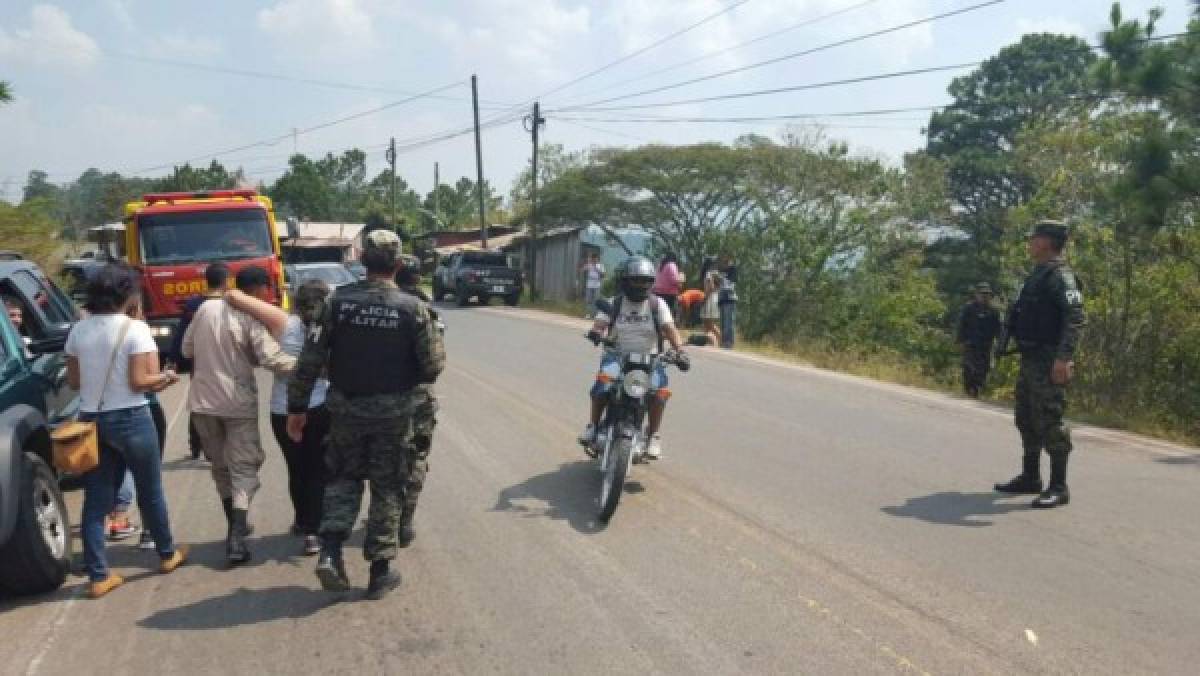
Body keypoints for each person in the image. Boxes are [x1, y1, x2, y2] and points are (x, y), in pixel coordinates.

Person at [288, 230, 445, 600]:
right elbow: (432, 367)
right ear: (399, 263)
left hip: (346, 410)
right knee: (388, 487)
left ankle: (330, 552)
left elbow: (308, 362)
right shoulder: (413, 308)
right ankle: (379, 572)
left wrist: (297, 408)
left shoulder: (335, 303)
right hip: (394, 416)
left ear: (362, 260)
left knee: (343, 478)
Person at [64, 264, 187, 598]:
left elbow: (75, 381)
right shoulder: (135, 330)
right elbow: (140, 382)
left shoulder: (78, 330)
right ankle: (166, 553)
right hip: (131, 417)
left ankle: (98, 575)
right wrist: (167, 378)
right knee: (151, 489)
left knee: (96, 499)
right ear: (127, 294)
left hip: (91, 419)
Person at [182, 266, 295, 565]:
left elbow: (186, 348)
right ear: (257, 291)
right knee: (243, 467)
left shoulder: (204, 309)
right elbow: (272, 358)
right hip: (236, 402)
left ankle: (234, 525)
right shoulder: (247, 315)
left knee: (220, 467)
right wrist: (310, 367)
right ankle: (237, 536)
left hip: (203, 402)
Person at [993, 220, 1085, 509]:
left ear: (1046, 242)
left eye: (1033, 238)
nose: (1030, 243)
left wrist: (1063, 358)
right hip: (1030, 358)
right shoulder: (1036, 275)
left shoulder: (1061, 277)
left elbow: (1075, 319)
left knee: (1051, 422)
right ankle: (1030, 476)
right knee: (1027, 418)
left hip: (1049, 359)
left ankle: (1059, 486)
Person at [579, 256, 689, 460]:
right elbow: (600, 324)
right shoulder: (616, 303)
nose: (640, 285)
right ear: (625, 281)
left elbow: (670, 329)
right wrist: (596, 333)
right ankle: (593, 426)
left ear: (651, 283)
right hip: (617, 356)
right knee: (602, 386)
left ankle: (653, 435)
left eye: (645, 281)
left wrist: (681, 351)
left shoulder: (658, 305)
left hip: (651, 359)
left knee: (659, 393)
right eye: (636, 280)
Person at [265, 279, 333, 556]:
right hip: (318, 406)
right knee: (318, 469)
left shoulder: (282, 325)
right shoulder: (330, 328)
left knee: (296, 468)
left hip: (282, 409)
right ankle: (313, 533)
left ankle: (302, 520)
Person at [394, 262, 441, 548]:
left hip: (373, 396)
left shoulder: (384, 303)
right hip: (416, 397)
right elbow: (434, 363)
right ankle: (404, 523)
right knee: (415, 459)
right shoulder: (423, 308)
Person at [168, 262, 230, 461]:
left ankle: (196, 446)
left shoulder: (194, 304)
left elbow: (181, 334)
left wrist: (173, 359)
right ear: (226, 281)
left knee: (199, 404)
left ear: (207, 280)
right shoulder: (231, 303)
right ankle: (221, 447)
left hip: (200, 363)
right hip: (227, 362)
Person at [956, 282, 1002, 398]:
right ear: (976, 294)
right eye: (982, 294)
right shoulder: (969, 308)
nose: (985, 296)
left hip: (985, 346)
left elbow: (998, 330)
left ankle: (976, 390)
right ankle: (968, 389)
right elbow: (962, 325)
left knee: (982, 370)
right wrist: (960, 341)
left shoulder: (994, 311)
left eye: (987, 294)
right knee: (968, 368)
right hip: (970, 344)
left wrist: (1000, 344)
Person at [717, 255, 739, 349]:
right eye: (724, 261)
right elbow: (718, 286)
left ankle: (729, 342)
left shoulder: (733, 270)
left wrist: (721, 279)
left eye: (727, 261)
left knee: (729, 322)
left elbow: (731, 286)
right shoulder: (722, 271)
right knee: (723, 322)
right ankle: (723, 341)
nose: (725, 263)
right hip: (722, 299)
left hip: (730, 299)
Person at [580, 253, 606, 318]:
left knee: (596, 301)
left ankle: (594, 315)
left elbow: (603, 275)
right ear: (592, 259)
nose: (594, 260)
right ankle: (587, 314)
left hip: (597, 285)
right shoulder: (589, 265)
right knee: (588, 300)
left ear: (597, 259)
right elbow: (581, 270)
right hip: (589, 285)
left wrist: (597, 269)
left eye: (596, 258)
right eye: (593, 258)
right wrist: (587, 264)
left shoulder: (600, 266)